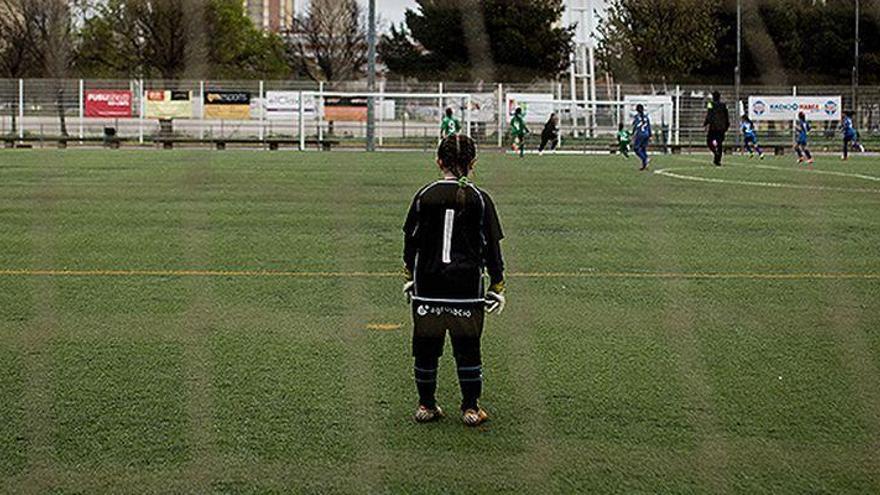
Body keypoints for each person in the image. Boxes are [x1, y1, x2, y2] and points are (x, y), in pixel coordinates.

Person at [402, 134, 506, 427]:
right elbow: (492, 249)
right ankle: (471, 409)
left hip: (428, 287)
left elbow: (410, 241)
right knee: (467, 347)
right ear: (473, 164)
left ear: (438, 162)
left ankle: (426, 405)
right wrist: (498, 285)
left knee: (426, 347)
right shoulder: (481, 200)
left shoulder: (424, 195)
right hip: (466, 288)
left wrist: (409, 275)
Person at [704, 91, 730, 166]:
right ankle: (718, 160)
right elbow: (726, 115)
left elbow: (709, 114)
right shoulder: (724, 105)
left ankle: (715, 153)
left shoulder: (710, 104)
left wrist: (705, 123)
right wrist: (727, 125)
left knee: (709, 141)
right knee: (719, 143)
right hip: (722, 127)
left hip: (713, 127)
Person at [632, 104, 651, 170]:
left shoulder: (636, 117)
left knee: (636, 149)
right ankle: (644, 165)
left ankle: (645, 158)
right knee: (643, 149)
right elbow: (649, 126)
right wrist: (650, 135)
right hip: (646, 134)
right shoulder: (646, 117)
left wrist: (633, 134)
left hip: (640, 134)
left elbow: (635, 126)